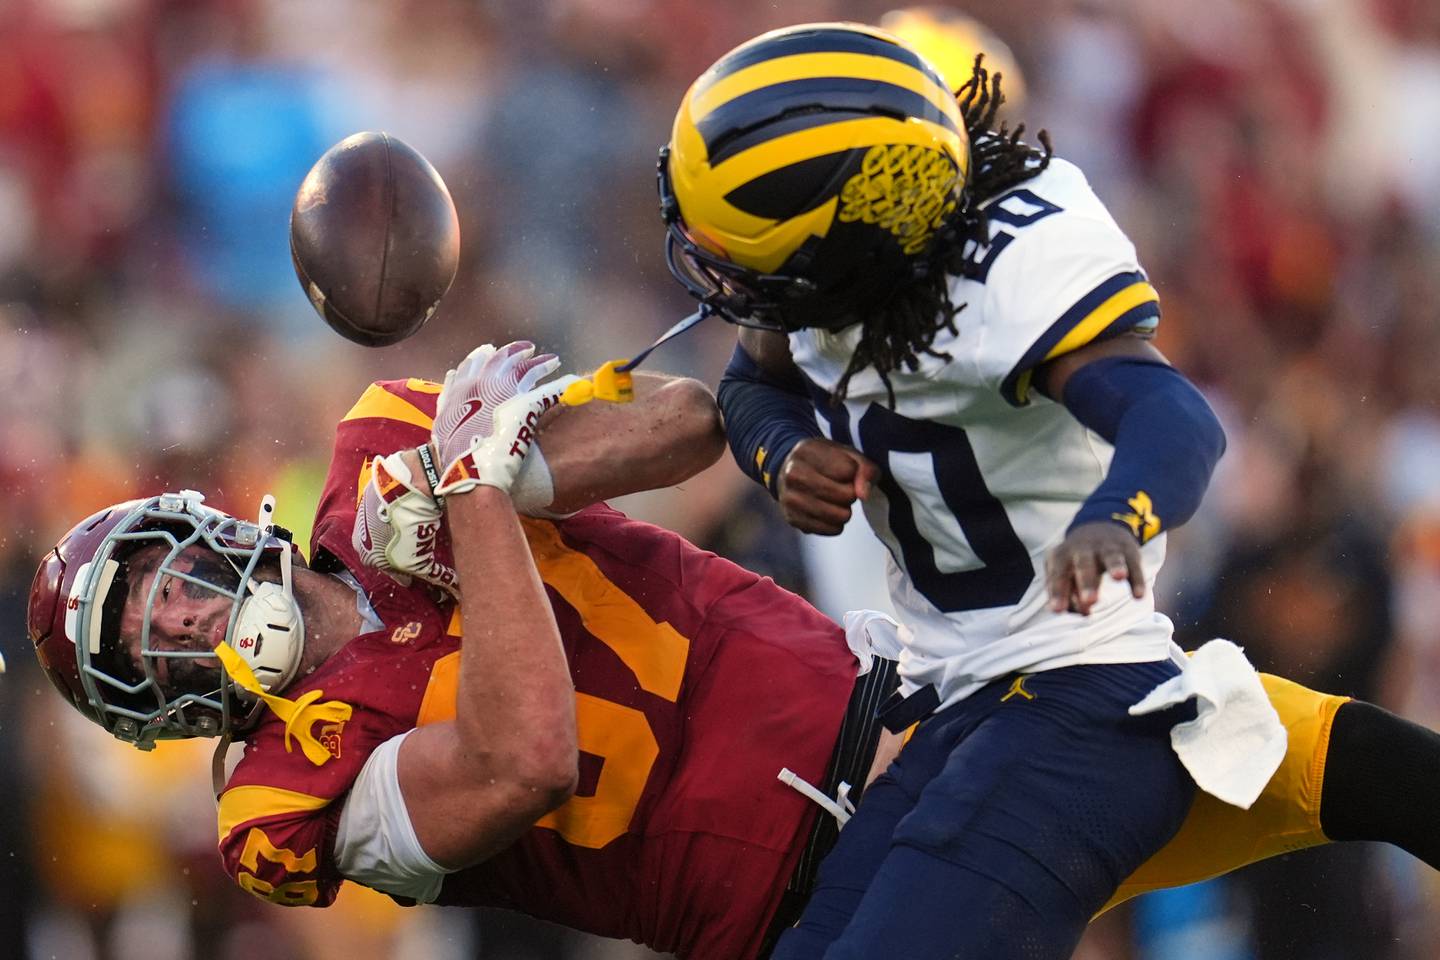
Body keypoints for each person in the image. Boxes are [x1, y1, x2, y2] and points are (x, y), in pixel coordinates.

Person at [24, 338, 1440, 960]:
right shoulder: (280, 797)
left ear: (197, 536)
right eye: (144, 647)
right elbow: (517, 760)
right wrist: (473, 513)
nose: (182, 620)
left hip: (930, 725)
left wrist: (513, 471)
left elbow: (696, 423)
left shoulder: (376, 449)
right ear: (156, 712)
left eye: (161, 585)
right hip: (813, 910)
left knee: (1299, 750)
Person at [654, 19, 1431, 959]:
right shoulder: (855, 268)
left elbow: (1174, 419)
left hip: (1080, 697)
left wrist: (1112, 521)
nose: (728, 281)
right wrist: (780, 452)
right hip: (961, 703)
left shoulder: (1009, 276)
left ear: (851, 251)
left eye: (750, 259)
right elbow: (753, 383)